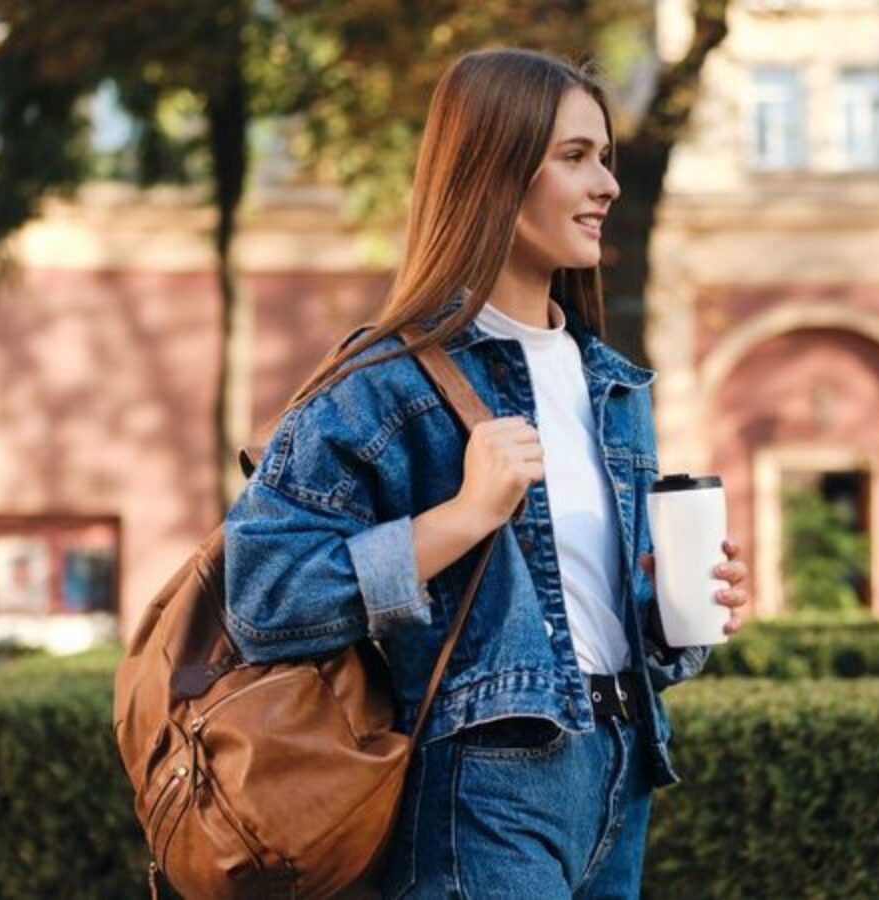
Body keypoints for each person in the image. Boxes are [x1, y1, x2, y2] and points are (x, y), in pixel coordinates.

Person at [223, 47, 752, 899]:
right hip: (487, 789)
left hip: (621, 767)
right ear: (494, 176)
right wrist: (461, 518)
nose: (607, 185)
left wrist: (670, 619)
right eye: (575, 157)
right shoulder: (387, 385)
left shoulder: (612, 384)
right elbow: (263, 599)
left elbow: (568, 614)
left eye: (605, 158)